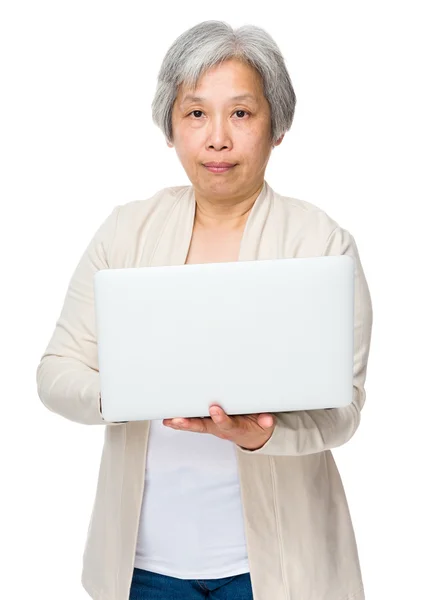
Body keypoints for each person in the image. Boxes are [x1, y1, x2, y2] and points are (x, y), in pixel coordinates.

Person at [36, 20, 373, 600]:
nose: (217, 138)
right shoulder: (126, 233)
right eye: (196, 114)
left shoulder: (321, 244)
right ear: (170, 126)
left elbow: (343, 410)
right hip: (143, 569)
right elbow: (55, 372)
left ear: (277, 127)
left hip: (277, 574)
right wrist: (131, 392)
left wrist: (256, 435)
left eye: (241, 113)